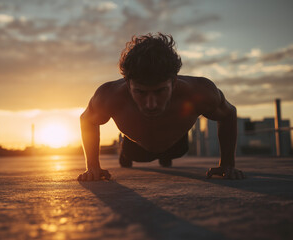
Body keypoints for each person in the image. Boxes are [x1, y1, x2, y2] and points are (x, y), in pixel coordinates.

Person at [77, 33, 245, 181]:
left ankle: (165, 157)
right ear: (128, 84)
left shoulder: (200, 92)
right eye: (141, 92)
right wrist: (92, 166)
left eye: (160, 91)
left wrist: (227, 164)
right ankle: (125, 150)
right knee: (133, 155)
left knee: (171, 155)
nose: (151, 104)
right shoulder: (109, 95)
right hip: (136, 148)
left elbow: (228, 114)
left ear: (173, 82)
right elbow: (87, 119)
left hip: (177, 145)